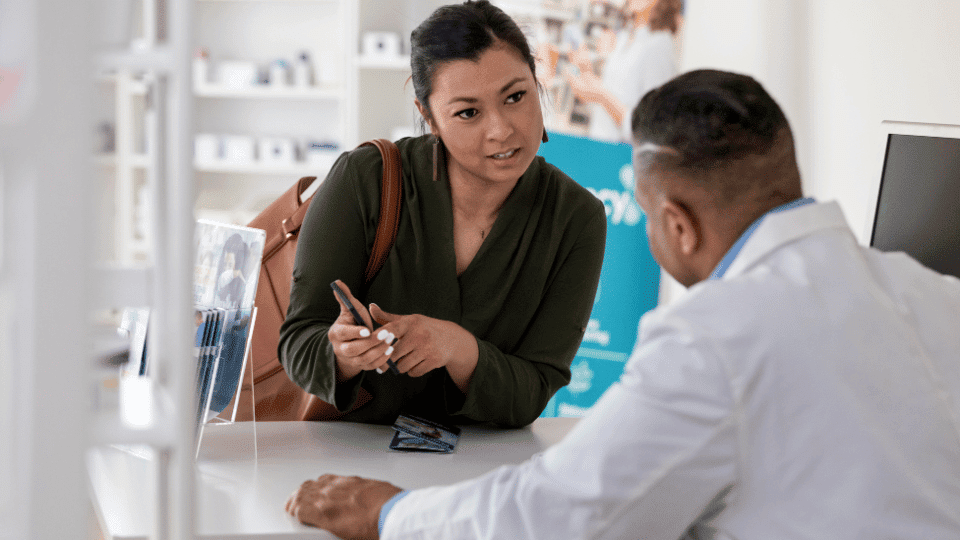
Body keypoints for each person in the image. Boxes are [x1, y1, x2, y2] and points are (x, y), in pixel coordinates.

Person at [284, 69, 960, 539]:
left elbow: (556, 517)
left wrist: (390, 515)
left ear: (677, 225)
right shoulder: (937, 295)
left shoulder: (713, 336)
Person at [278, 1, 607, 427]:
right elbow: (298, 344)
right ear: (428, 116)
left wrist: (459, 349)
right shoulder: (367, 179)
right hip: (349, 454)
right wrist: (342, 354)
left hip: (484, 464)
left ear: (536, 82)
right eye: (468, 112)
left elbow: (534, 391)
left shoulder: (576, 217)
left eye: (515, 97)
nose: (501, 129)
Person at [567, 0, 683, 142]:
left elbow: (651, 128)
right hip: (600, 144)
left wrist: (602, 96)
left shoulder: (659, 47)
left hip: (624, 152)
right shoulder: (625, 38)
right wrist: (586, 75)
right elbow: (609, 104)